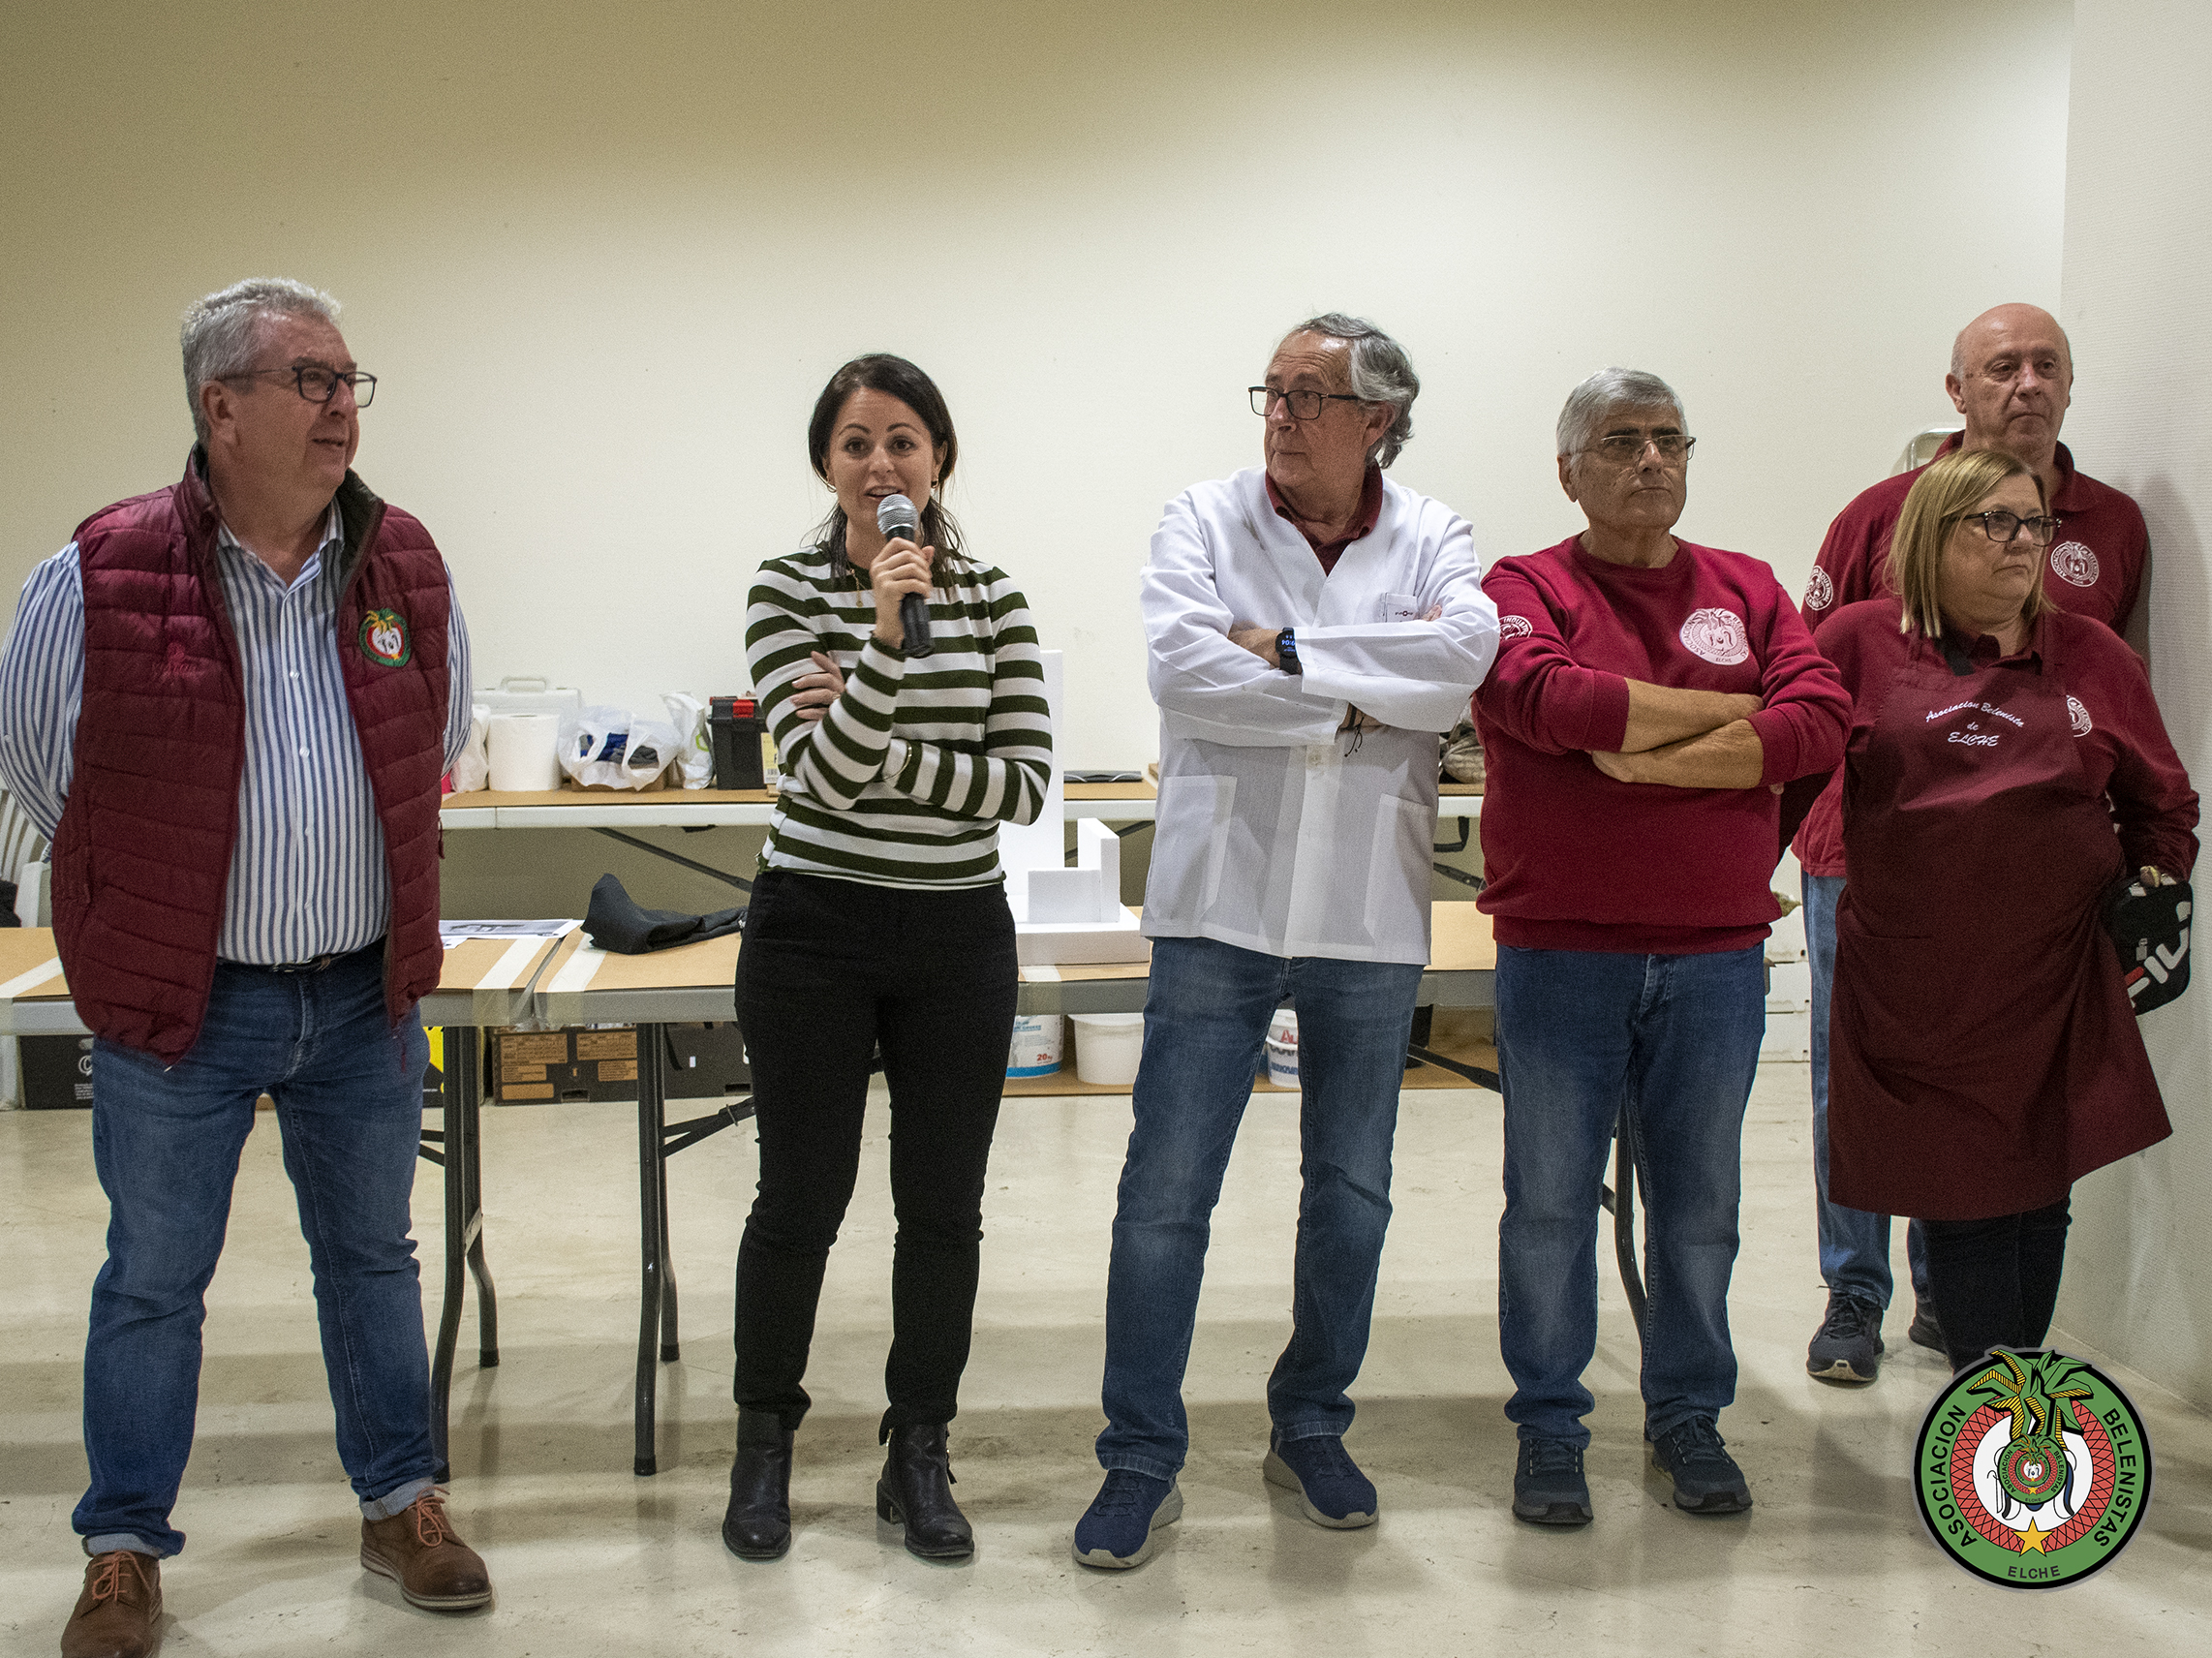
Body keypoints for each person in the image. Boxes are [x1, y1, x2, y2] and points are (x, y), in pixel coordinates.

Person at [0, 278, 485, 1658]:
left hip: (359, 991)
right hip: (184, 999)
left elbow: (438, 730)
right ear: (221, 407)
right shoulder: (100, 570)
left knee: (373, 1258)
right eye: (311, 380)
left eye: (348, 381)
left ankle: (400, 1505)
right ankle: (122, 1548)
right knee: (153, 1275)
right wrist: (160, 900)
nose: (343, 406)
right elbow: (40, 768)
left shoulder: (403, 563)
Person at [1071, 314, 1497, 1569]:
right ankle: (1139, 1455)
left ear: (1378, 420)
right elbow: (1184, 675)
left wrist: (1294, 654)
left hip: (1367, 913)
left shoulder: (1435, 533)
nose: (1281, 413)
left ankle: (1311, 1420)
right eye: (1272, 390)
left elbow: (1461, 671)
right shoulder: (1201, 520)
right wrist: (1367, 700)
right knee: (1165, 1196)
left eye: (1311, 395)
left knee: (1352, 1194)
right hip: (1220, 905)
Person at [1476, 369, 1849, 1526]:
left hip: (1714, 958)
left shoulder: (1748, 586)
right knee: (1548, 1203)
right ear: (1567, 469)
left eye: (1669, 439)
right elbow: (1551, 702)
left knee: (1699, 1207)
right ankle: (1550, 1424)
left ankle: (1687, 1412)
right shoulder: (1522, 585)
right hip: (1562, 953)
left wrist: (1639, 745)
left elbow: (1821, 719)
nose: (1650, 459)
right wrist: (1735, 713)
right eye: (1622, 440)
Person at [725, 353, 1051, 1564]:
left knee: (943, 1208)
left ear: (939, 458)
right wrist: (881, 633)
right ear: (827, 463)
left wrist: (868, 725)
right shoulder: (783, 589)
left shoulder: (997, 600)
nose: (881, 464)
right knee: (799, 1199)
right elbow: (812, 780)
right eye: (856, 442)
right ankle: (764, 1439)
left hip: (955, 935)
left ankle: (919, 1444)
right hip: (811, 929)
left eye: (903, 440)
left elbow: (1021, 787)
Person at [1795, 303, 2153, 1384]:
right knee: (1865, 1095)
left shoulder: (2114, 526)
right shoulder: (1879, 514)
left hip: (2030, 905)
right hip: (1871, 859)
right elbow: (1805, 697)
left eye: (2047, 364)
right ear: (1957, 389)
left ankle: (1957, 1320)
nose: (2026, 383)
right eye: (2001, 366)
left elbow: (2108, 707)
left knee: (2004, 1138)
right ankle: (1854, 1291)